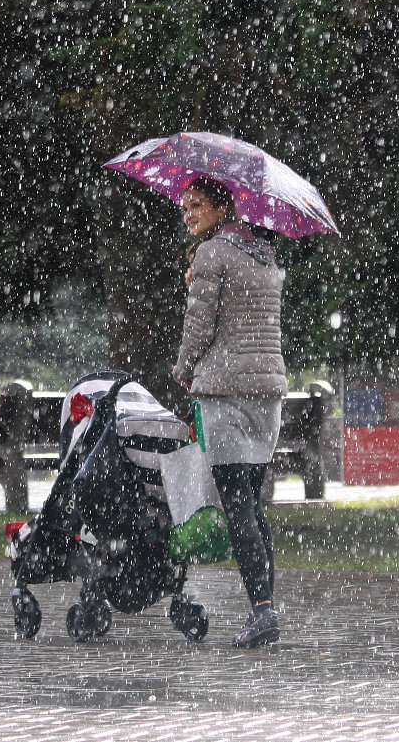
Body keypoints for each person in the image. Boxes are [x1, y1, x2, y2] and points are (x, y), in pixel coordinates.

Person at [172, 175, 288, 647]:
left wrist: (183, 368)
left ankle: (262, 611)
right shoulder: (265, 256)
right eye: (184, 208)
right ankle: (265, 607)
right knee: (252, 503)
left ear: (223, 208)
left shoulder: (211, 254)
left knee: (236, 502)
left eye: (197, 204)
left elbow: (200, 324)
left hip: (225, 392)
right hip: (268, 396)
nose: (189, 214)